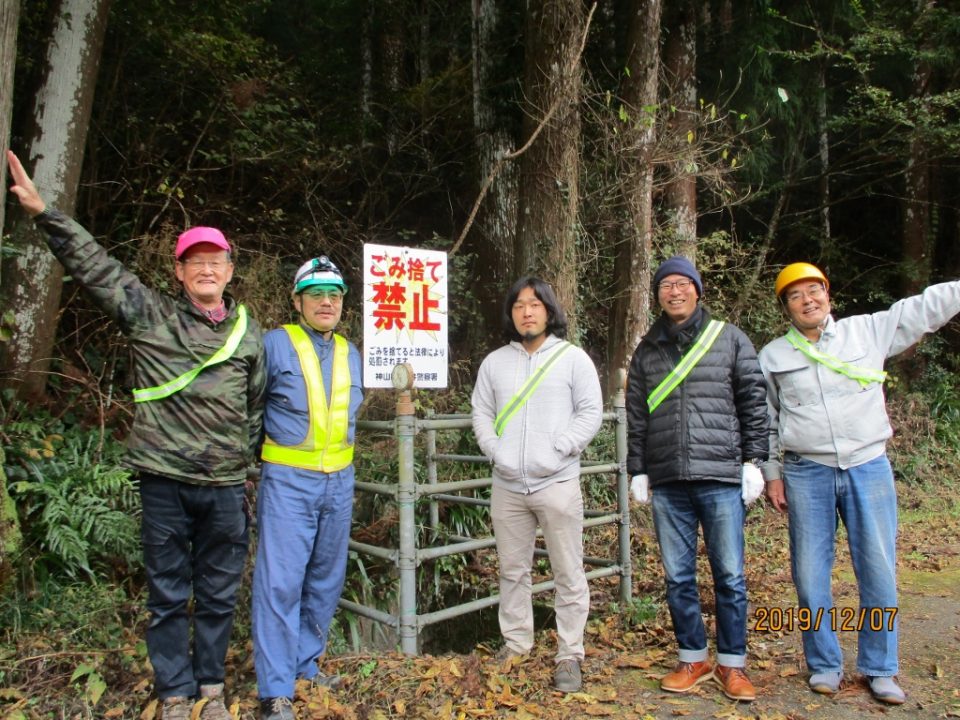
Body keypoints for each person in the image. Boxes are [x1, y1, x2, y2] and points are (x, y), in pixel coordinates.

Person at [6, 150, 266, 720]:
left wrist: (242, 465)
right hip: (164, 482)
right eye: (194, 261)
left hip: (225, 486)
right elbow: (94, 266)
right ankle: (174, 692)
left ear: (229, 269)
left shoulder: (251, 336)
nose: (205, 269)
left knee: (220, 596)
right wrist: (44, 212)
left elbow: (255, 409)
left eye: (215, 261)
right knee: (169, 592)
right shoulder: (150, 315)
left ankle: (211, 688)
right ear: (178, 271)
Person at [759, 262, 960, 705]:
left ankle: (881, 668)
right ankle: (824, 664)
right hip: (805, 471)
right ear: (786, 308)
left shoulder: (866, 332)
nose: (807, 300)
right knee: (810, 575)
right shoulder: (772, 356)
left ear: (828, 295)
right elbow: (767, 422)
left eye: (814, 291)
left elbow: (923, 308)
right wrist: (771, 475)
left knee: (878, 570)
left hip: (868, 466)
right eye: (796, 295)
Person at [625, 255, 768, 702]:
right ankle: (693, 657)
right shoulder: (648, 349)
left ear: (698, 290)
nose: (674, 291)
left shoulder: (729, 339)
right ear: (658, 295)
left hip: (720, 475)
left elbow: (754, 401)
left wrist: (754, 460)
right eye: (665, 284)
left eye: (682, 283)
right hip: (668, 479)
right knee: (678, 577)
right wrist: (638, 470)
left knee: (729, 575)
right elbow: (635, 414)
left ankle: (733, 664)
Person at [471, 276, 603, 693]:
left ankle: (570, 653)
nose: (526, 312)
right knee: (512, 570)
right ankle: (516, 644)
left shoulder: (572, 359)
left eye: (535, 305)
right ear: (510, 314)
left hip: (558, 481)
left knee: (568, 570)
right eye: (519, 306)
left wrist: (557, 450)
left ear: (549, 311)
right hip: (507, 484)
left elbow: (590, 412)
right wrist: (498, 453)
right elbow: (480, 414)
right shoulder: (494, 363)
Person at [252, 256, 363, 720]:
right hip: (288, 483)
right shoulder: (274, 345)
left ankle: (304, 664)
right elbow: (249, 409)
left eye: (334, 294)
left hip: (339, 483)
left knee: (325, 579)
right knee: (280, 584)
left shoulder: (351, 352)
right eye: (315, 293)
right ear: (297, 300)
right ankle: (275, 690)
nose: (326, 301)